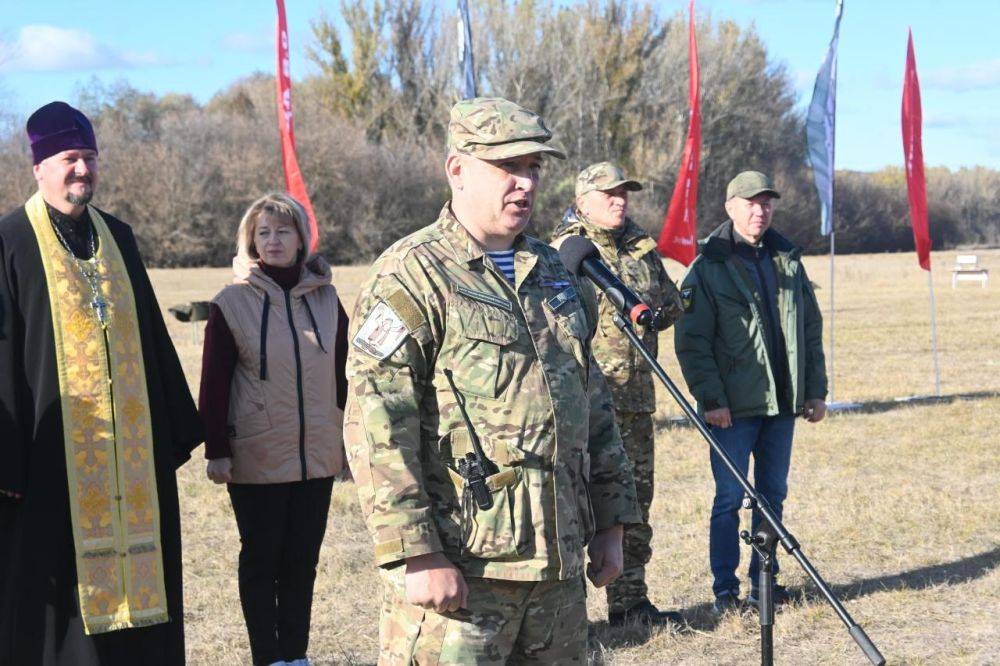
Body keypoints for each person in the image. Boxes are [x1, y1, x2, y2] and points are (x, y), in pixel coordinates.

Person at [344, 97, 641, 664]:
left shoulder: (555, 271)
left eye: (533, 168)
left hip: (556, 572)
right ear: (457, 170)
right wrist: (417, 552)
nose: (525, 183)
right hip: (462, 574)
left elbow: (591, 402)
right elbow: (376, 424)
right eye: (507, 167)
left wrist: (611, 518)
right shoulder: (411, 274)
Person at [0, 101, 202, 665]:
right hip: (49, 465)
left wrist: (170, 435)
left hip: (130, 462)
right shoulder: (10, 241)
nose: (82, 171)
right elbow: (2, 354)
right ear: (39, 166)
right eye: (70, 159)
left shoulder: (118, 236)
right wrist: (7, 460)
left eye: (89, 158)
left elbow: (154, 339)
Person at [198, 193, 349, 666]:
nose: (273, 240)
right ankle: (267, 656)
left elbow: (346, 374)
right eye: (263, 232)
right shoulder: (231, 303)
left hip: (317, 455)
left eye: (283, 230)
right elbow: (214, 383)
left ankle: (296, 655)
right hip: (257, 456)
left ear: (302, 237)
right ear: (251, 242)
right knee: (262, 561)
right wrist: (217, 450)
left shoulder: (327, 299)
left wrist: (349, 440)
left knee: (303, 561)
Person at [673, 171, 828, 614]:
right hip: (733, 410)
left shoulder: (788, 261)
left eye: (766, 203)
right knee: (728, 499)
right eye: (750, 203)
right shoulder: (707, 268)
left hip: (782, 405)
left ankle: (765, 582)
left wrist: (815, 390)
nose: (759, 211)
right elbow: (693, 342)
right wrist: (712, 400)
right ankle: (726, 590)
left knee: (772, 494)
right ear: (730, 207)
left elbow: (810, 331)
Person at [550, 161, 685, 627]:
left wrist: (661, 308)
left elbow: (668, 303)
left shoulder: (640, 246)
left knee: (634, 503)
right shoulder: (561, 252)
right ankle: (566, 615)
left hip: (637, 399)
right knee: (575, 503)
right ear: (583, 199)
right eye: (608, 193)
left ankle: (630, 603)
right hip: (583, 402)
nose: (619, 200)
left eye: (624, 192)